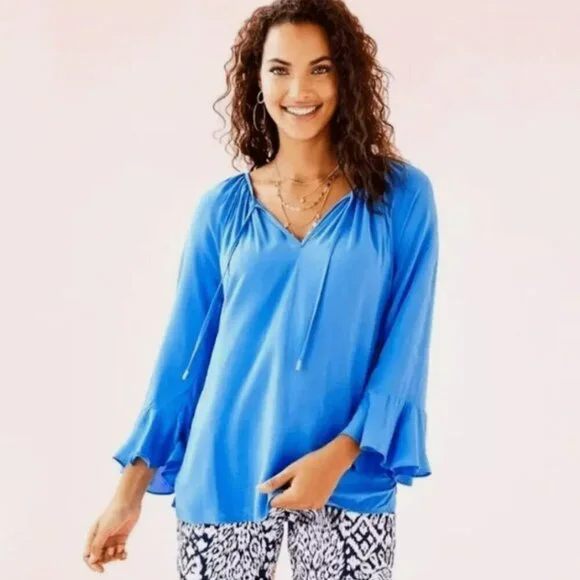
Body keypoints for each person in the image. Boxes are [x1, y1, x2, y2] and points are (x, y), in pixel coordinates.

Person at [83, 0, 439, 577]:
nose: (299, 89)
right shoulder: (221, 211)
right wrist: (128, 492)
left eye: (320, 68)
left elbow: (407, 345)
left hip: (348, 477)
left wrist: (341, 454)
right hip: (225, 472)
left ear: (347, 76)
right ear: (257, 80)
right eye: (280, 69)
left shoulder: (399, 197)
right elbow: (183, 360)